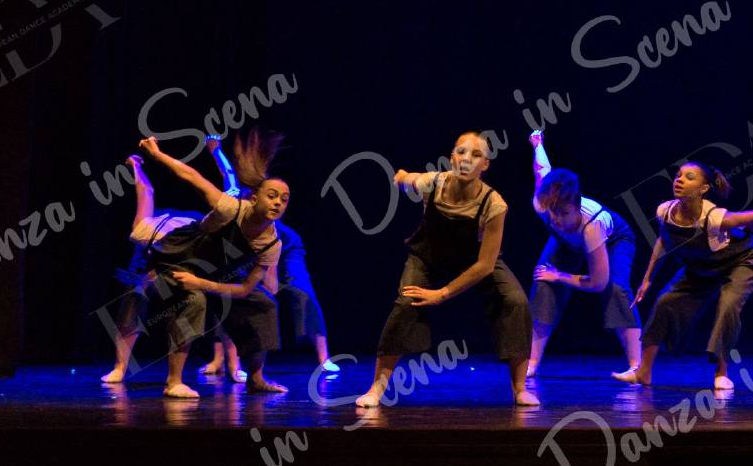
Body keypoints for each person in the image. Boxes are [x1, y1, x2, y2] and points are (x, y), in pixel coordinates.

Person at [353, 131, 536, 409]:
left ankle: (519, 388)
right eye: (461, 152)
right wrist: (400, 177)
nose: (467, 159)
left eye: (476, 155)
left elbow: (485, 264)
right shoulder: (433, 183)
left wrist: (442, 293)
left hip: (474, 261)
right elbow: (410, 179)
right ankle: (376, 388)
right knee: (406, 303)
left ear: (485, 165)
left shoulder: (494, 204)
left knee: (516, 301)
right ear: (452, 158)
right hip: (428, 257)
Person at [100, 132, 289, 398]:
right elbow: (192, 177)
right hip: (178, 253)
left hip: (213, 272)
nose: (278, 202)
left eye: (284, 199)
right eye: (272, 196)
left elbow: (246, 289)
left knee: (263, 303)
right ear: (255, 199)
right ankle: (172, 382)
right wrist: (158, 155)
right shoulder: (230, 208)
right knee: (186, 296)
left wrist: (204, 283)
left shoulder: (271, 243)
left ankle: (255, 379)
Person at [611, 161, 753, 392]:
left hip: (741, 260)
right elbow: (663, 242)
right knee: (664, 303)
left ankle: (721, 373)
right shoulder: (665, 211)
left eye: (689, 177)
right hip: (702, 266)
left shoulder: (715, 217)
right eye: (678, 175)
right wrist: (648, 279)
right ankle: (643, 372)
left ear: (703, 189)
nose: (679, 180)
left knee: (728, 305)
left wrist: (743, 233)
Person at [199, 136, 336, 381]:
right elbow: (227, 173)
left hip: (283, 245)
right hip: (247, 248)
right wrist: (215, 150)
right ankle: (225, 360)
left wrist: (216, 150)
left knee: (301, 291)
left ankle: (324, 358)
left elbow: (270, 261)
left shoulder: (254, 209)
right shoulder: (229, 207)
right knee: (227, 295)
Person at [526, 131, 642, 377]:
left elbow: (598, 283)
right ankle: (532, 363)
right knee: (543, 284)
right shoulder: (542, 204)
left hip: (614, 239)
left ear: (577, 206)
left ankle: (637, 367)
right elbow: (542, 168)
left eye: (564, 213)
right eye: (553, 213)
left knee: (615, 288)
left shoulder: (593, 224)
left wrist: (560, 276)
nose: (557, 220)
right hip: (568, 242)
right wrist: (537, 143)